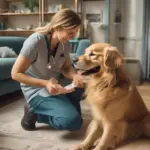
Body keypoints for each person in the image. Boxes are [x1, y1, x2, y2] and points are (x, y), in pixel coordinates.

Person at [11, 8, 85, 131]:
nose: (73, 37)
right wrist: (45, 83)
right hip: (37, 90)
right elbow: (15, 74)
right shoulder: (35, 41)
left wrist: (75, 76)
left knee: (78, 109)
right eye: (70, 33)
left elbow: (66, 67)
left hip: (56, 86)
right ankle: (34, 112)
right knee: (72, 122)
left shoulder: (64, 43)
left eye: (76, 33)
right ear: (58, 27)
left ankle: (58, 106)